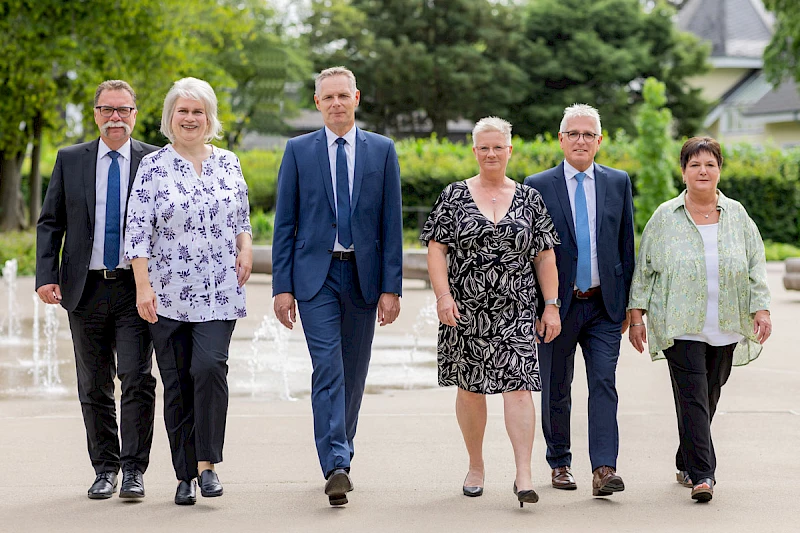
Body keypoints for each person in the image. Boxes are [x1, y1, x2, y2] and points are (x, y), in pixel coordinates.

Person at [272, 66, 403, 507]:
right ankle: (336, 464)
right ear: (316, 103)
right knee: (327, 367)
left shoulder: (382, 151)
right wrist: (281, 286)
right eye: (327, 97)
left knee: (354, 372)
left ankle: (339, 451)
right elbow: (285, 223)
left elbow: (391, 223)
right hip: (316, 277)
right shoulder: (298, 151)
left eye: (342, 96)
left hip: (364, 278)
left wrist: (392, 287)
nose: (335, 104)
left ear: (356, 98)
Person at [124, 77, 253, 506]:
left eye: (198, 111)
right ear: (170, 117)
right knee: (177, 381)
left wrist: (246, 249)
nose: (191, 118)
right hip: (168, 293)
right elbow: (137, 232)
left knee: (211, 368)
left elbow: (242, 217)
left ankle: (208, 464)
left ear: (210, 117)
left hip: (219, 292)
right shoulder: (154, 167)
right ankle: (184, 475)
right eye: (183, 111)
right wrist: (143, 287)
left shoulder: (229, 163)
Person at [421, 117, 560, 507]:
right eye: (484, 147)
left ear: (510, 150)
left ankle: (524, 474)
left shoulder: (530, 198)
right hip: (465, 311)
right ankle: (476, 465)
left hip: (517, 309)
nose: (491, 153)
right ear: (474, 151)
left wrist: (551, 306)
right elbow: (436, 249)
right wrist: (443, 296)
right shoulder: (453, 196)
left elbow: (545, 255)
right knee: (470, 391)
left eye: (498, 147)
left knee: (519, 389)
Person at [628, 136, 771, 503]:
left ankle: (685, 458)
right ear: (683, 172)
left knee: (708, 395)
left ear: (719, 169)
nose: (703, 171)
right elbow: (644, 269)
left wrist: (762, 308)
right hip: (680, 324)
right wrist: (637, 314)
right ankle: (704, 475)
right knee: (693, 397)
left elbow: (756, 263)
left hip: (725, 324)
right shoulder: (665, 216)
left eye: (709, 164)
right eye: (695, 165)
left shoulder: (738, 214)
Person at [36, 80, 158, 500]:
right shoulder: (71, 159)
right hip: (84, 289)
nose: (115, 118)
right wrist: (44, 275)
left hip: (134, 287)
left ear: (135, 114)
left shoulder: (154, 161)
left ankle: (134, 470)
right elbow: (51, 221)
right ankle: (105, 467)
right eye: (107, 110)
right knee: (93, 384)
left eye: (123, 110)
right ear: (95, 114)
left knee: (137, 378)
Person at [524, 103, 634, 497]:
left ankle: (604, 468)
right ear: (561, 139)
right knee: (557, 384)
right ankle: (560, 462)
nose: (581, 140)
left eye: (589, 134)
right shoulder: (537, 185)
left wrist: (629, 307)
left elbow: (626, 246)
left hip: (605, 306)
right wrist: (540, 305)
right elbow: (529, 252)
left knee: (604, 382)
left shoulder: (618, 182)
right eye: (574, 133)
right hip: (557, 306)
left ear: (600, 141)